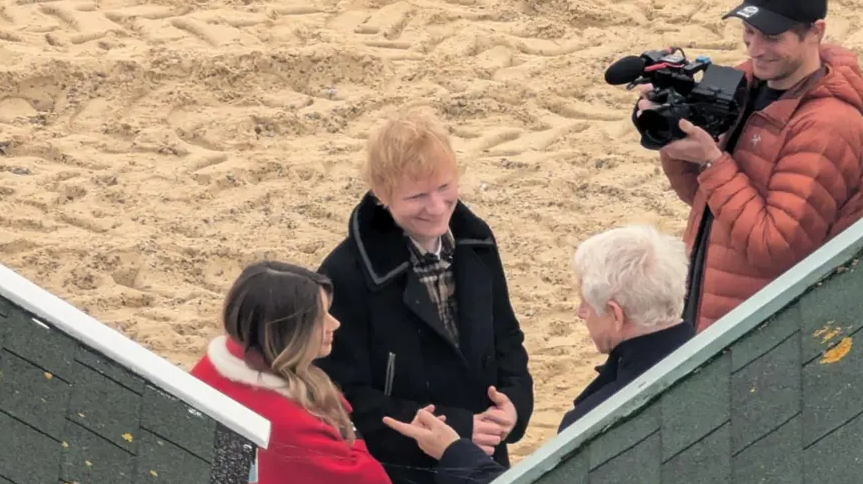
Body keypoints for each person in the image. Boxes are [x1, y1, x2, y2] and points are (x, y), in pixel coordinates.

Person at [638, 0, 863, 331]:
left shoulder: (829, 127)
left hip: (771, 333)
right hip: (712, 310)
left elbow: (774, 247)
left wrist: (713, 162)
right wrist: (673, 134)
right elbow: (704, 203)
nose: (755, 49)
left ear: (816, 32)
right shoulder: (743, 82)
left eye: (772, 37)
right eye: (748, 32)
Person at [315, 111, 535, 484]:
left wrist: (514, 406)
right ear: (382, 194)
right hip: (404, 471)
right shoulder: (345, 274)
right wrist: (460, 428)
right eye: (417, 196)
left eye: (445, 187)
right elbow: (344, 395)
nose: (436, 207)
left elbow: (507, 338)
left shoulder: (477, 243)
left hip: (484, 455)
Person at [383, 225, 696, 484]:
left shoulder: (602, 420)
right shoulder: (717, 352)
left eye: (585, 302)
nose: (580, 312)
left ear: (616, 314)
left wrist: (453, 452)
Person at [189, 261, 392, 484]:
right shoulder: (299, 428)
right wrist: (350, 433)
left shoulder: (210, 367)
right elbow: (371, 479)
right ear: (285, 329)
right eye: (319, 317)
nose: (334, 324)